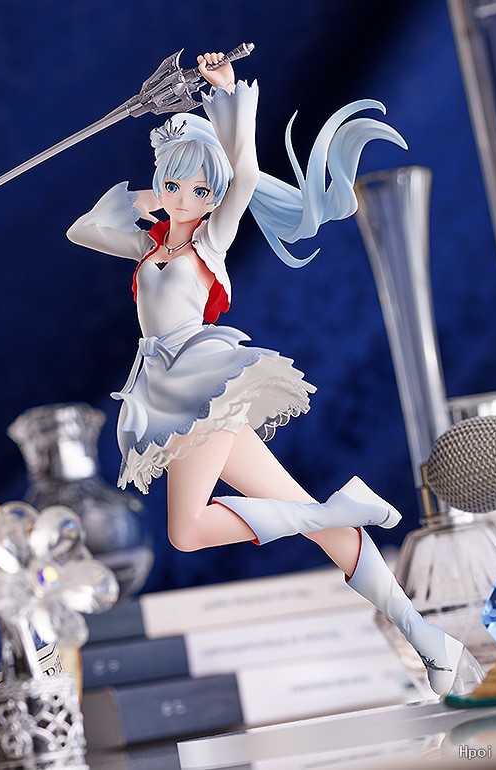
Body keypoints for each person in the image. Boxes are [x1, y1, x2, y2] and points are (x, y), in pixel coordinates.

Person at [67, 52, 473, 696]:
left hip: (199, 384)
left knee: (187, 531)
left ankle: (339, 509)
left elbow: (247, 173)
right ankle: (430, 639)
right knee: (315, 522)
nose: (188, 200)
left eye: (202, 191)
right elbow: (84, 229)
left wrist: (226, 97)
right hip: (168, 387)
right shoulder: (149, 243)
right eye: (176, 186)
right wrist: (157, 189)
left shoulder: (210, 243)